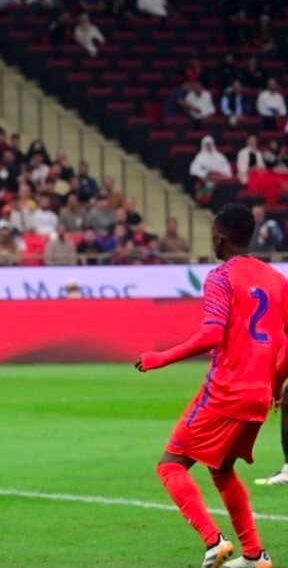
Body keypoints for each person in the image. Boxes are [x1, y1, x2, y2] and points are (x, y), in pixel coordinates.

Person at [135, 203, 285, 568]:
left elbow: (211, 335)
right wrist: (277, 384)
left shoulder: (221, 277)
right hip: (259, 394)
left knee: (170, 465)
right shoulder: (278, 280)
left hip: (227, 390)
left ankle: (213, 541)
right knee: (221, 470)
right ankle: (255, 555)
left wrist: (160, 358)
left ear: (219, 238)